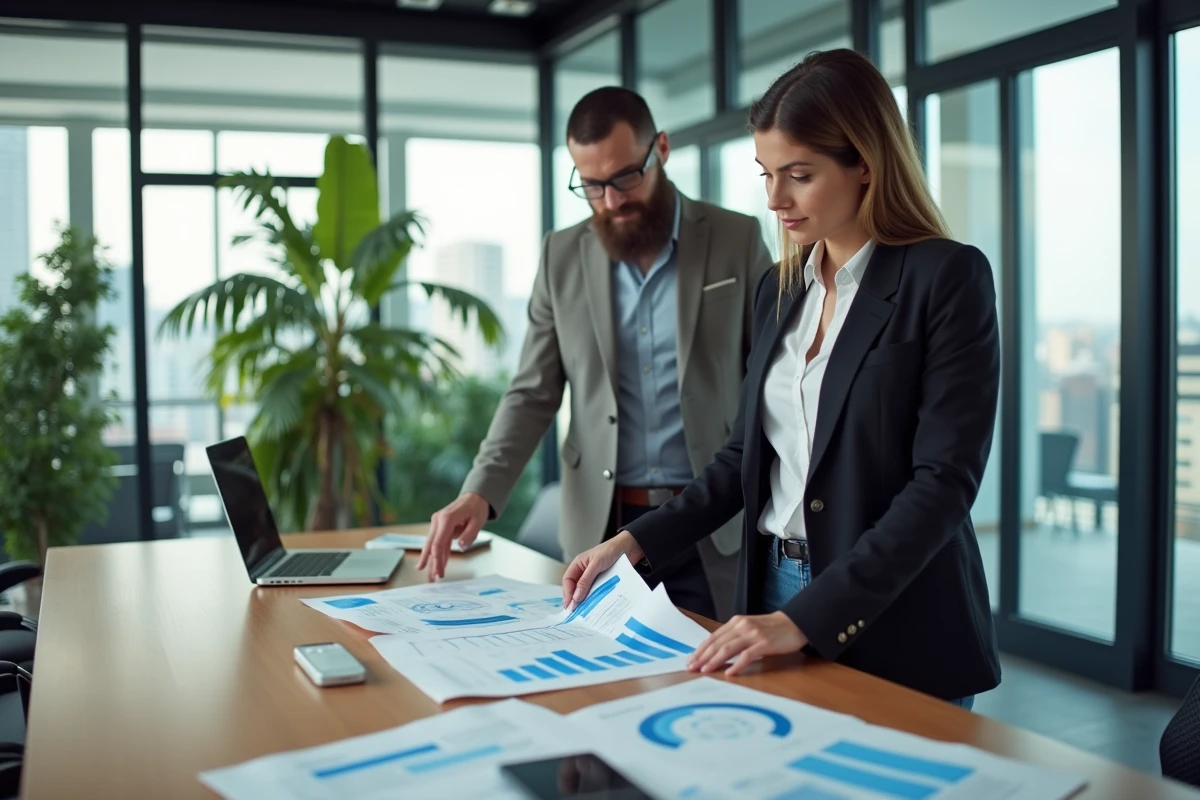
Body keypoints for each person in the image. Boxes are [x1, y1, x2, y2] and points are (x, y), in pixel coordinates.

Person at [560, 49, 1002, 709]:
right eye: (766, 173)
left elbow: (942, 486)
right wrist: (633, 543)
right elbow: (743, 457)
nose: (774, 199)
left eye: (799, 174)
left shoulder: (946, 278)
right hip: (766, 585)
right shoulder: (781, 287)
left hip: (891, 611)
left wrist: (808, 616)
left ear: (865, 164)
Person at [419, 87, 774, 620]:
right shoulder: (561, 255)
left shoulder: (736, 239)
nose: (611, 201)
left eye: (625, 177)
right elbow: (532, 392)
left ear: (662, 149)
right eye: (592, 185)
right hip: (601, 529)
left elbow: (768, 375)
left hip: (709, 527)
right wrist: (480, 491)